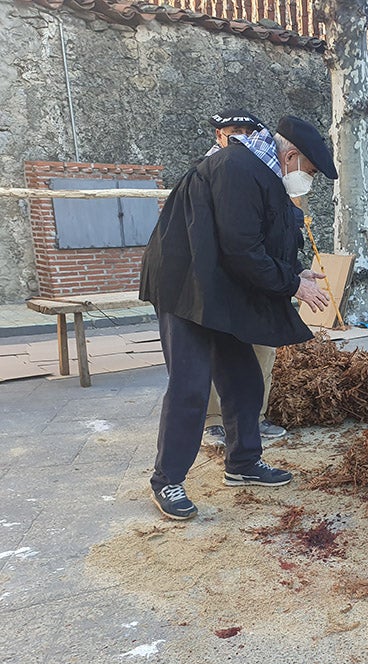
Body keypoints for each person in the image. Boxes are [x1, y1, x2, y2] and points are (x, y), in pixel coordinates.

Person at [139, 115, 337, 521]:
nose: (308, 180)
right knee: (190, 385)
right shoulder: (236, 168)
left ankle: (243, 463)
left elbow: (262, 239)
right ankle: (167, 481)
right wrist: (292, 285)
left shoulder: (261, 173)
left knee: (244, 378)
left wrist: (294, 272)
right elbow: (242, 248)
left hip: (215, 287)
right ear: (292, 155)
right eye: (311, 171)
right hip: (184, 286)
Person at [200, 108, 288, 447]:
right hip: (219, 277)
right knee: (216, 348)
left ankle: (256, 417)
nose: (239, 137)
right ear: (219, 137)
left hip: (257, 275)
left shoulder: (268, 172)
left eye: (245, 131)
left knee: (263, 347)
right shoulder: (206, 172)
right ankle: (213, 421)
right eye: (231, 131)